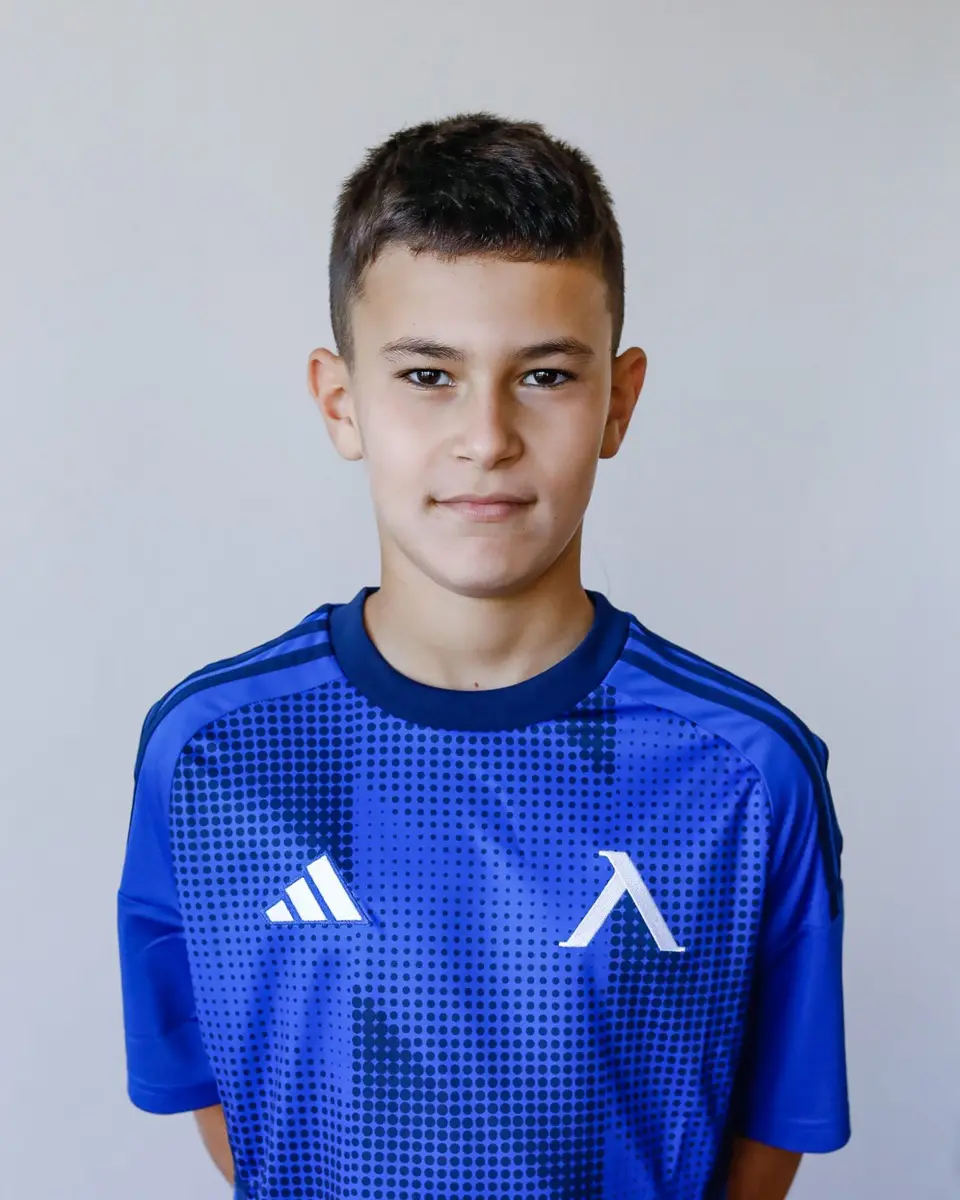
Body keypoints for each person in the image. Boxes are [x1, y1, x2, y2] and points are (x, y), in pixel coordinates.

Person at [116, 111, 850, 1200]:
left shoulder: (745, 769)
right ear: (340, 402)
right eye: (428, 375)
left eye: (545, 375)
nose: (488, 438)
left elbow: (767, 1131)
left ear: (619, 402)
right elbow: (230, 1099)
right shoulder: (213, 754)